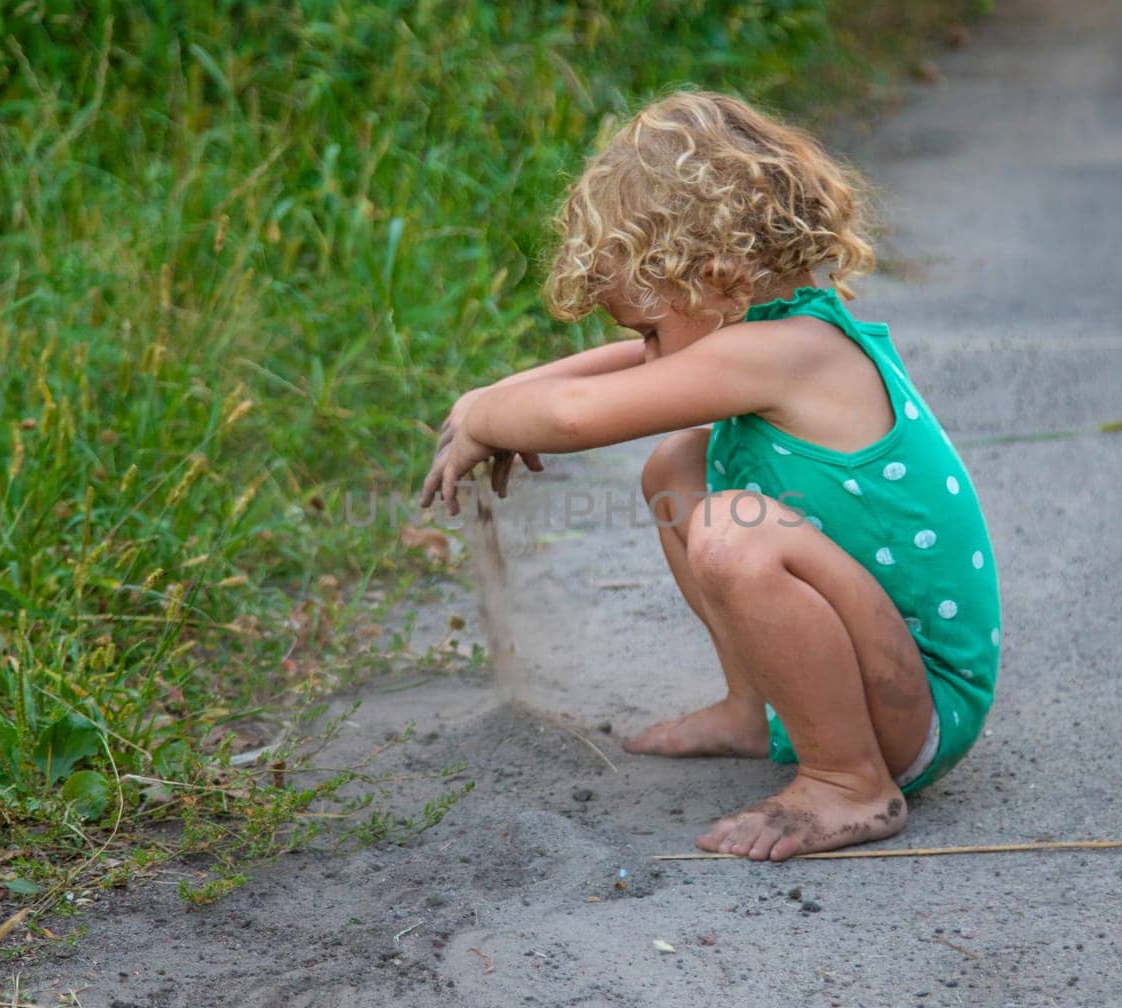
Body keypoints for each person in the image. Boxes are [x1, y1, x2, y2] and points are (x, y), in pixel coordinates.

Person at [420, 90, 999, 861]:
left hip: (915, 705)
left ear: (713, 272)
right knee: (676, 464)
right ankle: (754, 709)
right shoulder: (766, 327)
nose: (650, 353)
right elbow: (608, 373)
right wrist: (486, 401)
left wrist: (491, 421)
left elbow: (570, 418)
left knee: (735, 533)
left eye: (653, 330)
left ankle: (849, 781)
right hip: (875, 671)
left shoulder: (791, 353)